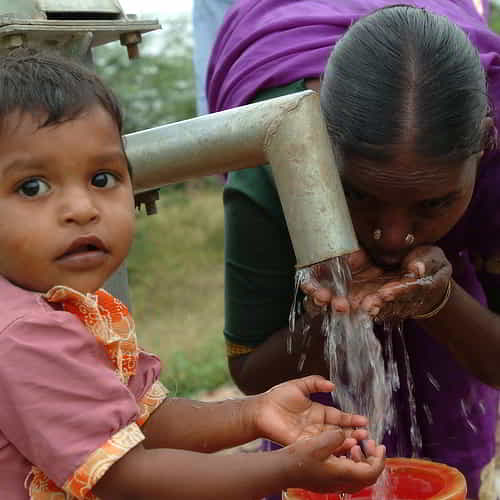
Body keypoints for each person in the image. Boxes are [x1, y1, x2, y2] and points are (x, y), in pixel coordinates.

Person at [0, 50, 386, 500]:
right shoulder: (25, 337)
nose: (83, 209)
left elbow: (144, 420)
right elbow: (126, 477)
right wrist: (285, 470)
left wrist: (255, 413)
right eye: (33, 187)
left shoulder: (63, 310)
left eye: (103, 179)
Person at [206, 1, 500, 498]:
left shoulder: (496, 172)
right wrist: (331, 310)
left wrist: (442, 301)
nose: (391, 236)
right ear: (321, 151)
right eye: (358, 195)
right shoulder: (274, 156)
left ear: (485, 147)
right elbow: (253, 374)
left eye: (433, 202)